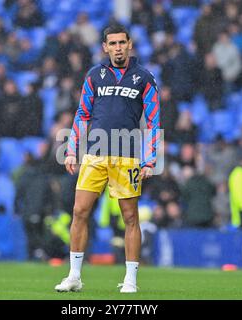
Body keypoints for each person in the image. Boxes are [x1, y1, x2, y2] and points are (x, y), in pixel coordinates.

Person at [55, 25, 160, 293]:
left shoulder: (144, 78)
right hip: (94, 154)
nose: (117, 47)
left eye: (121, 43)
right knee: (79, 211)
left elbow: (152, 121)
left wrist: (149, 160)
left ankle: (131, 280)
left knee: (130, 217)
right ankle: (74, 276)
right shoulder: (94, 76)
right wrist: (72, 149)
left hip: (127, 156)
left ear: (130, 44)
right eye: (112, 43)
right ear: (105, 47)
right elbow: (82, 114)